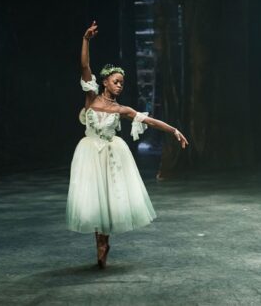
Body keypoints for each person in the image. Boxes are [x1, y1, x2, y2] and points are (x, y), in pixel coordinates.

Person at [66, 21, 188, 269]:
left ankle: (104, 241)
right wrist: (86, 39)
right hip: (90, 153)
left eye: (122, 82)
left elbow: (150, 121)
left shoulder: (121, 109)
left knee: (109, 199)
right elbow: (84, 65)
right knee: (93, 199)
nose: (120, 85)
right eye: (116, 81)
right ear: (105, 82)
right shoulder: (90, 97)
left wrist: (174, 130)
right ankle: (98, 241)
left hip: (111, 154)